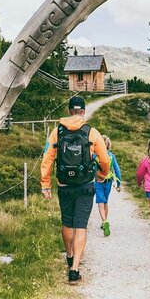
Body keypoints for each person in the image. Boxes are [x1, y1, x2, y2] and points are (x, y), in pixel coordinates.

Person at [41, 96, 110, 285]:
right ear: (83, 112)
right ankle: (75, 269)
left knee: (67, 222)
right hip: (85, 184)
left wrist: (45, 184)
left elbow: (47, 159)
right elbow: (104, 159)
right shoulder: (91, 132)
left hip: (64, 185)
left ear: (69, 110)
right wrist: (102, 174)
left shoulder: (57, 132)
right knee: (81, 225)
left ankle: (70, 256)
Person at [94, 135, 122, 237]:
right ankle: (105, 220)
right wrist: (119, 184)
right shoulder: (111, 156)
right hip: (108, 182)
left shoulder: (94, 156)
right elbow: (117, 170)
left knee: (100, 202)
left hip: (98, 182)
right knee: (105, 201)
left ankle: (104, 221)